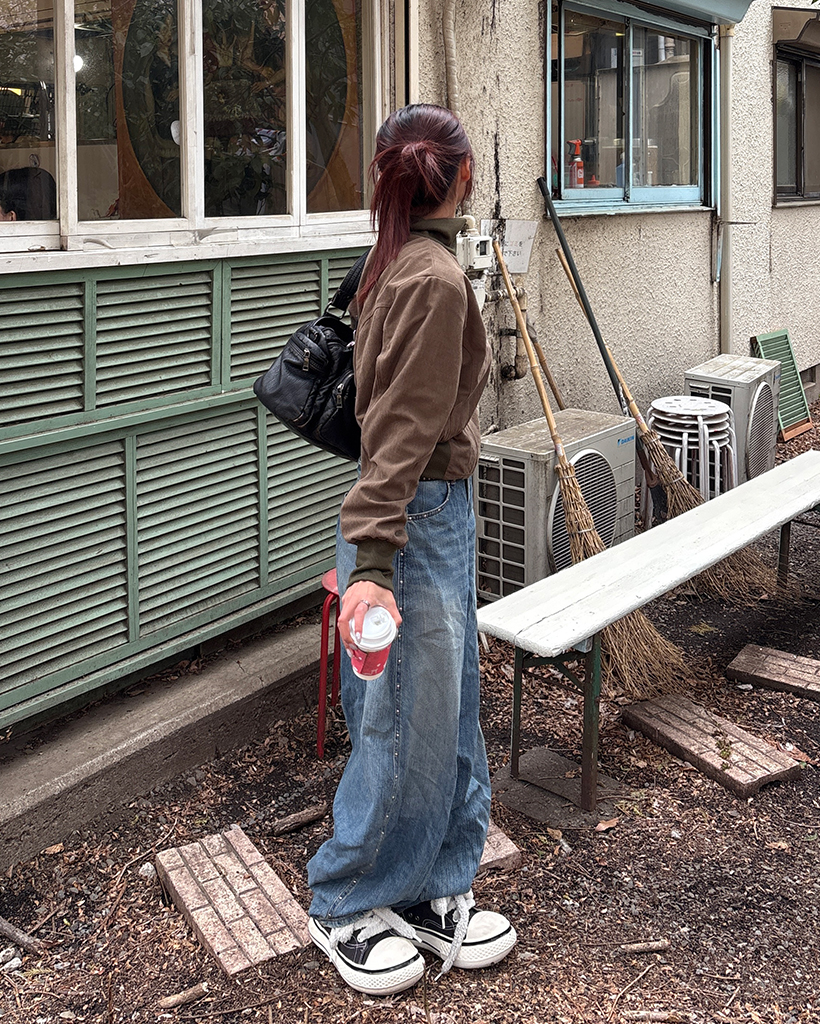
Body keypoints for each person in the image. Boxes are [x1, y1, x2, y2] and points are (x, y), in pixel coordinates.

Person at [306, 104, 517, 997]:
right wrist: (374, 566)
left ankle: (433, 885)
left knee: (447, 707)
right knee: (403, 719)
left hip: (425, 512)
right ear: (462, 176)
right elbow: (397, 435)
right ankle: (346, 898)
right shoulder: (430, 279)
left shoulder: (397, 258)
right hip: (412, 519)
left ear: (386, 181)